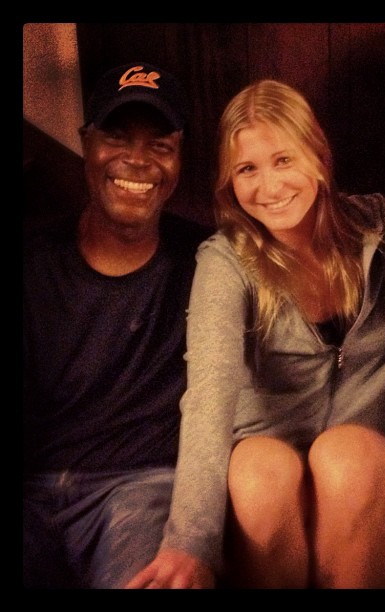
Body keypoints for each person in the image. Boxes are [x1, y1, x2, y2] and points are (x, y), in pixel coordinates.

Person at [126, 78, 385, 589]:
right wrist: (189, 543)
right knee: (254, 464)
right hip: (270, 503)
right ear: (230, 182)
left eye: (283, 160)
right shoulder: (225, 262)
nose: (268, 188)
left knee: (345, 454)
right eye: (247, 169)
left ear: (318, 154)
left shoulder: (383, 226)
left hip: (375, 484)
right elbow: (209, 397)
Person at [23, 62, 213, 588]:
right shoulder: (34, 260)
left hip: (142, 486)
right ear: (86, 143)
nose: (137, 159)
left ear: (179, 159)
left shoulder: (208, 262)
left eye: (159, 144)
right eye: (116, 136)